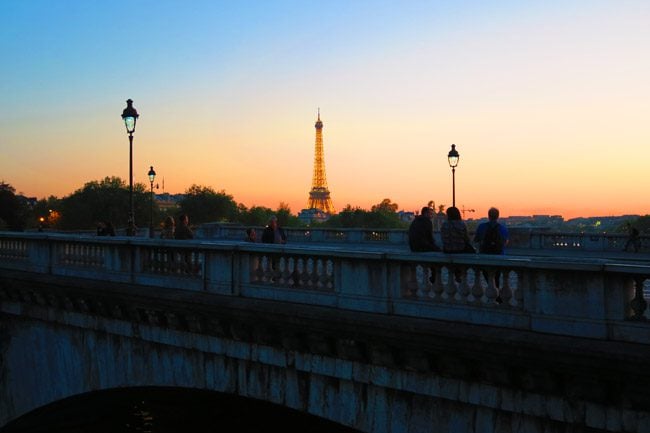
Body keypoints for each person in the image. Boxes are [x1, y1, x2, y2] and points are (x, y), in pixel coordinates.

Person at [473, 207, 509, 299]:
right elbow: (505, 243)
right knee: (496, 276)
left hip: (485, 255)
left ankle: (493, 291)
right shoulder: (503, 228)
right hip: (499, 256)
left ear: (488, 216)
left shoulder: (481, 227)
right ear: (498, 216)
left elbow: (476, 240)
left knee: (488, 276)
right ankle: (496, 292)